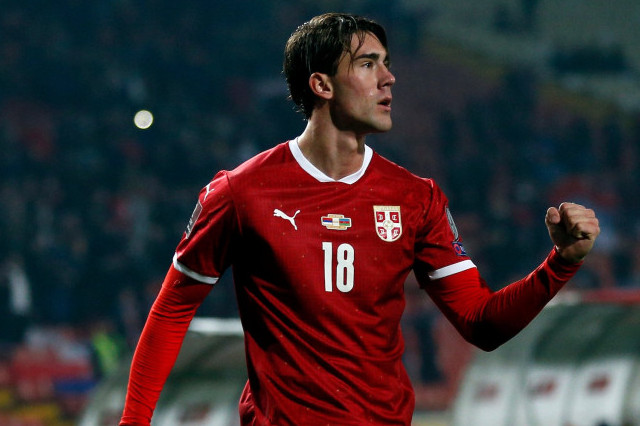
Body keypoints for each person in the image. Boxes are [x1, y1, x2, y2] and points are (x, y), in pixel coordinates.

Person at [119, 12, 600, 426]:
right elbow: (171, 311)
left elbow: (481, 323)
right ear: (322, 84)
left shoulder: (416, 198)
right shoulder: (240, 194)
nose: (389, 78)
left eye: (386, 63)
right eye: (368, 64)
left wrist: (561, 263)